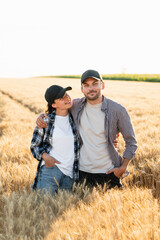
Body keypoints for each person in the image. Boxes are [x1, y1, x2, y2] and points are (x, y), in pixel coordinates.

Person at [36, 70, 137, 189]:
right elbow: (58, 108)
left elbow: (131, 142)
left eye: (95, 83)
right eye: (86, 85)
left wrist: (122, 168)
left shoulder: (117, 110)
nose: (91, 88)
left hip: (109, 172)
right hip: (81, 174)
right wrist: (42, 116)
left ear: (102, 85)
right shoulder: (75, 106)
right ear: (82, 89)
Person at [30, 85, 80, 195]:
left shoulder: (76, 119)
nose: (67, 99)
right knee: (44, 206)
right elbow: (34, 146)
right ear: (53, 104)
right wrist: (45, 157)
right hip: (51, 169)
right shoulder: (45, 121)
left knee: (62, 209)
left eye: (67, 95)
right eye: (62, 98)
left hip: (70, 173)